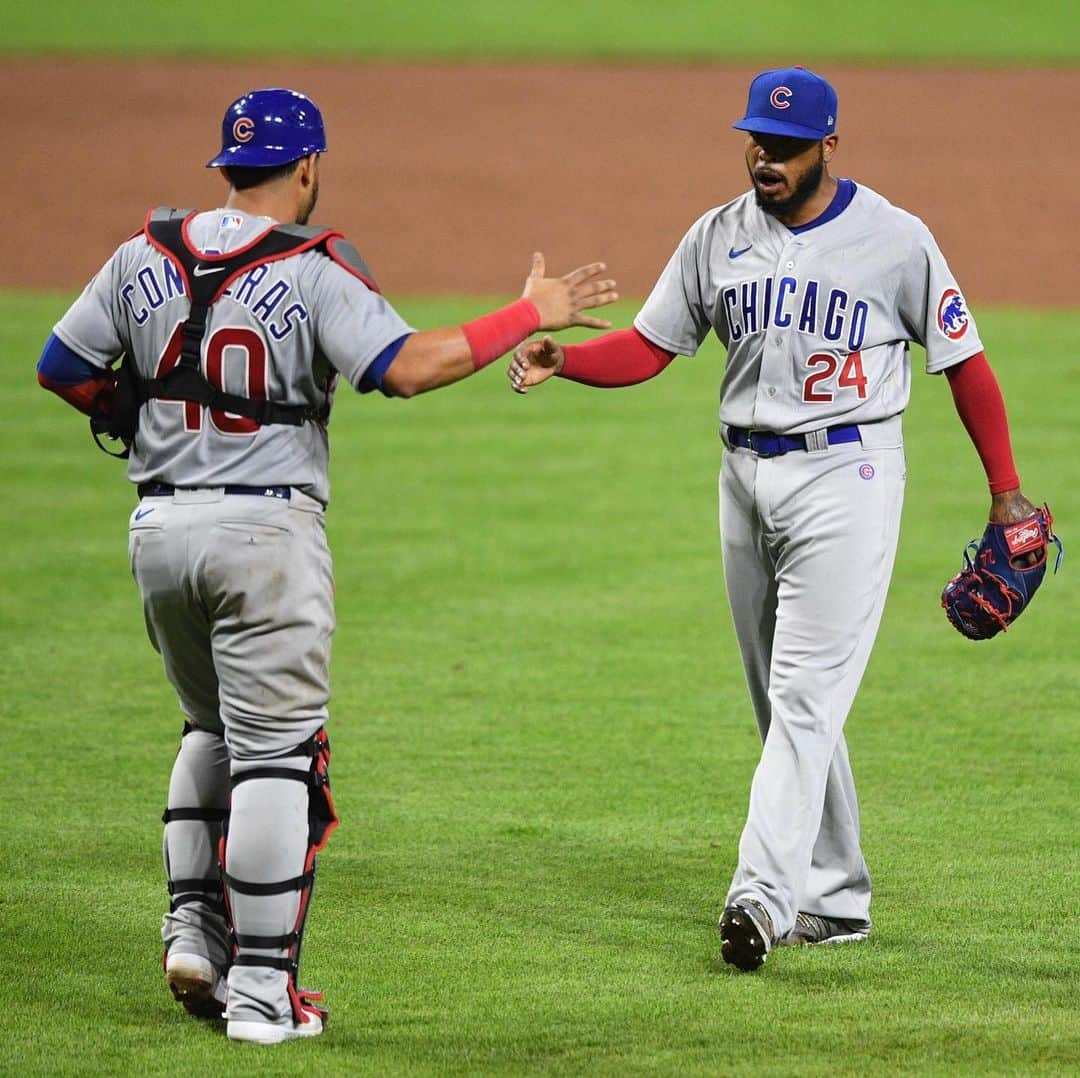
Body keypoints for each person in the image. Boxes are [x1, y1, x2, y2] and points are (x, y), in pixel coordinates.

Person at [37, 87, 617, 1041]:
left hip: (158, 534)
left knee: (207, 726)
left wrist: (134, 413)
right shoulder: (312, 267)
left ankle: (194, 932)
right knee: (277, 756)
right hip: (265, 540)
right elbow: (410, 366)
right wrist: (529, 311)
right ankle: (262, 993)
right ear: (307, 167)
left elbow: (61, 366)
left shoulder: (142, 250)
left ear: (226, 164)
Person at [507, 66, 1046, 971]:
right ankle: (835, 901)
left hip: (850, 473)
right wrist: (567, 360)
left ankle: (760, 897)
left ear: (829, 146)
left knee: (803, 695)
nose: (766, 157)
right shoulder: (716, 236)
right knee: (786, 702)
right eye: (756, 140)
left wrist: (1007, 489)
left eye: (787, 147)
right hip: (743, 477)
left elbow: (966, 363)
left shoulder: (896, 239)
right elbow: (650, 348)